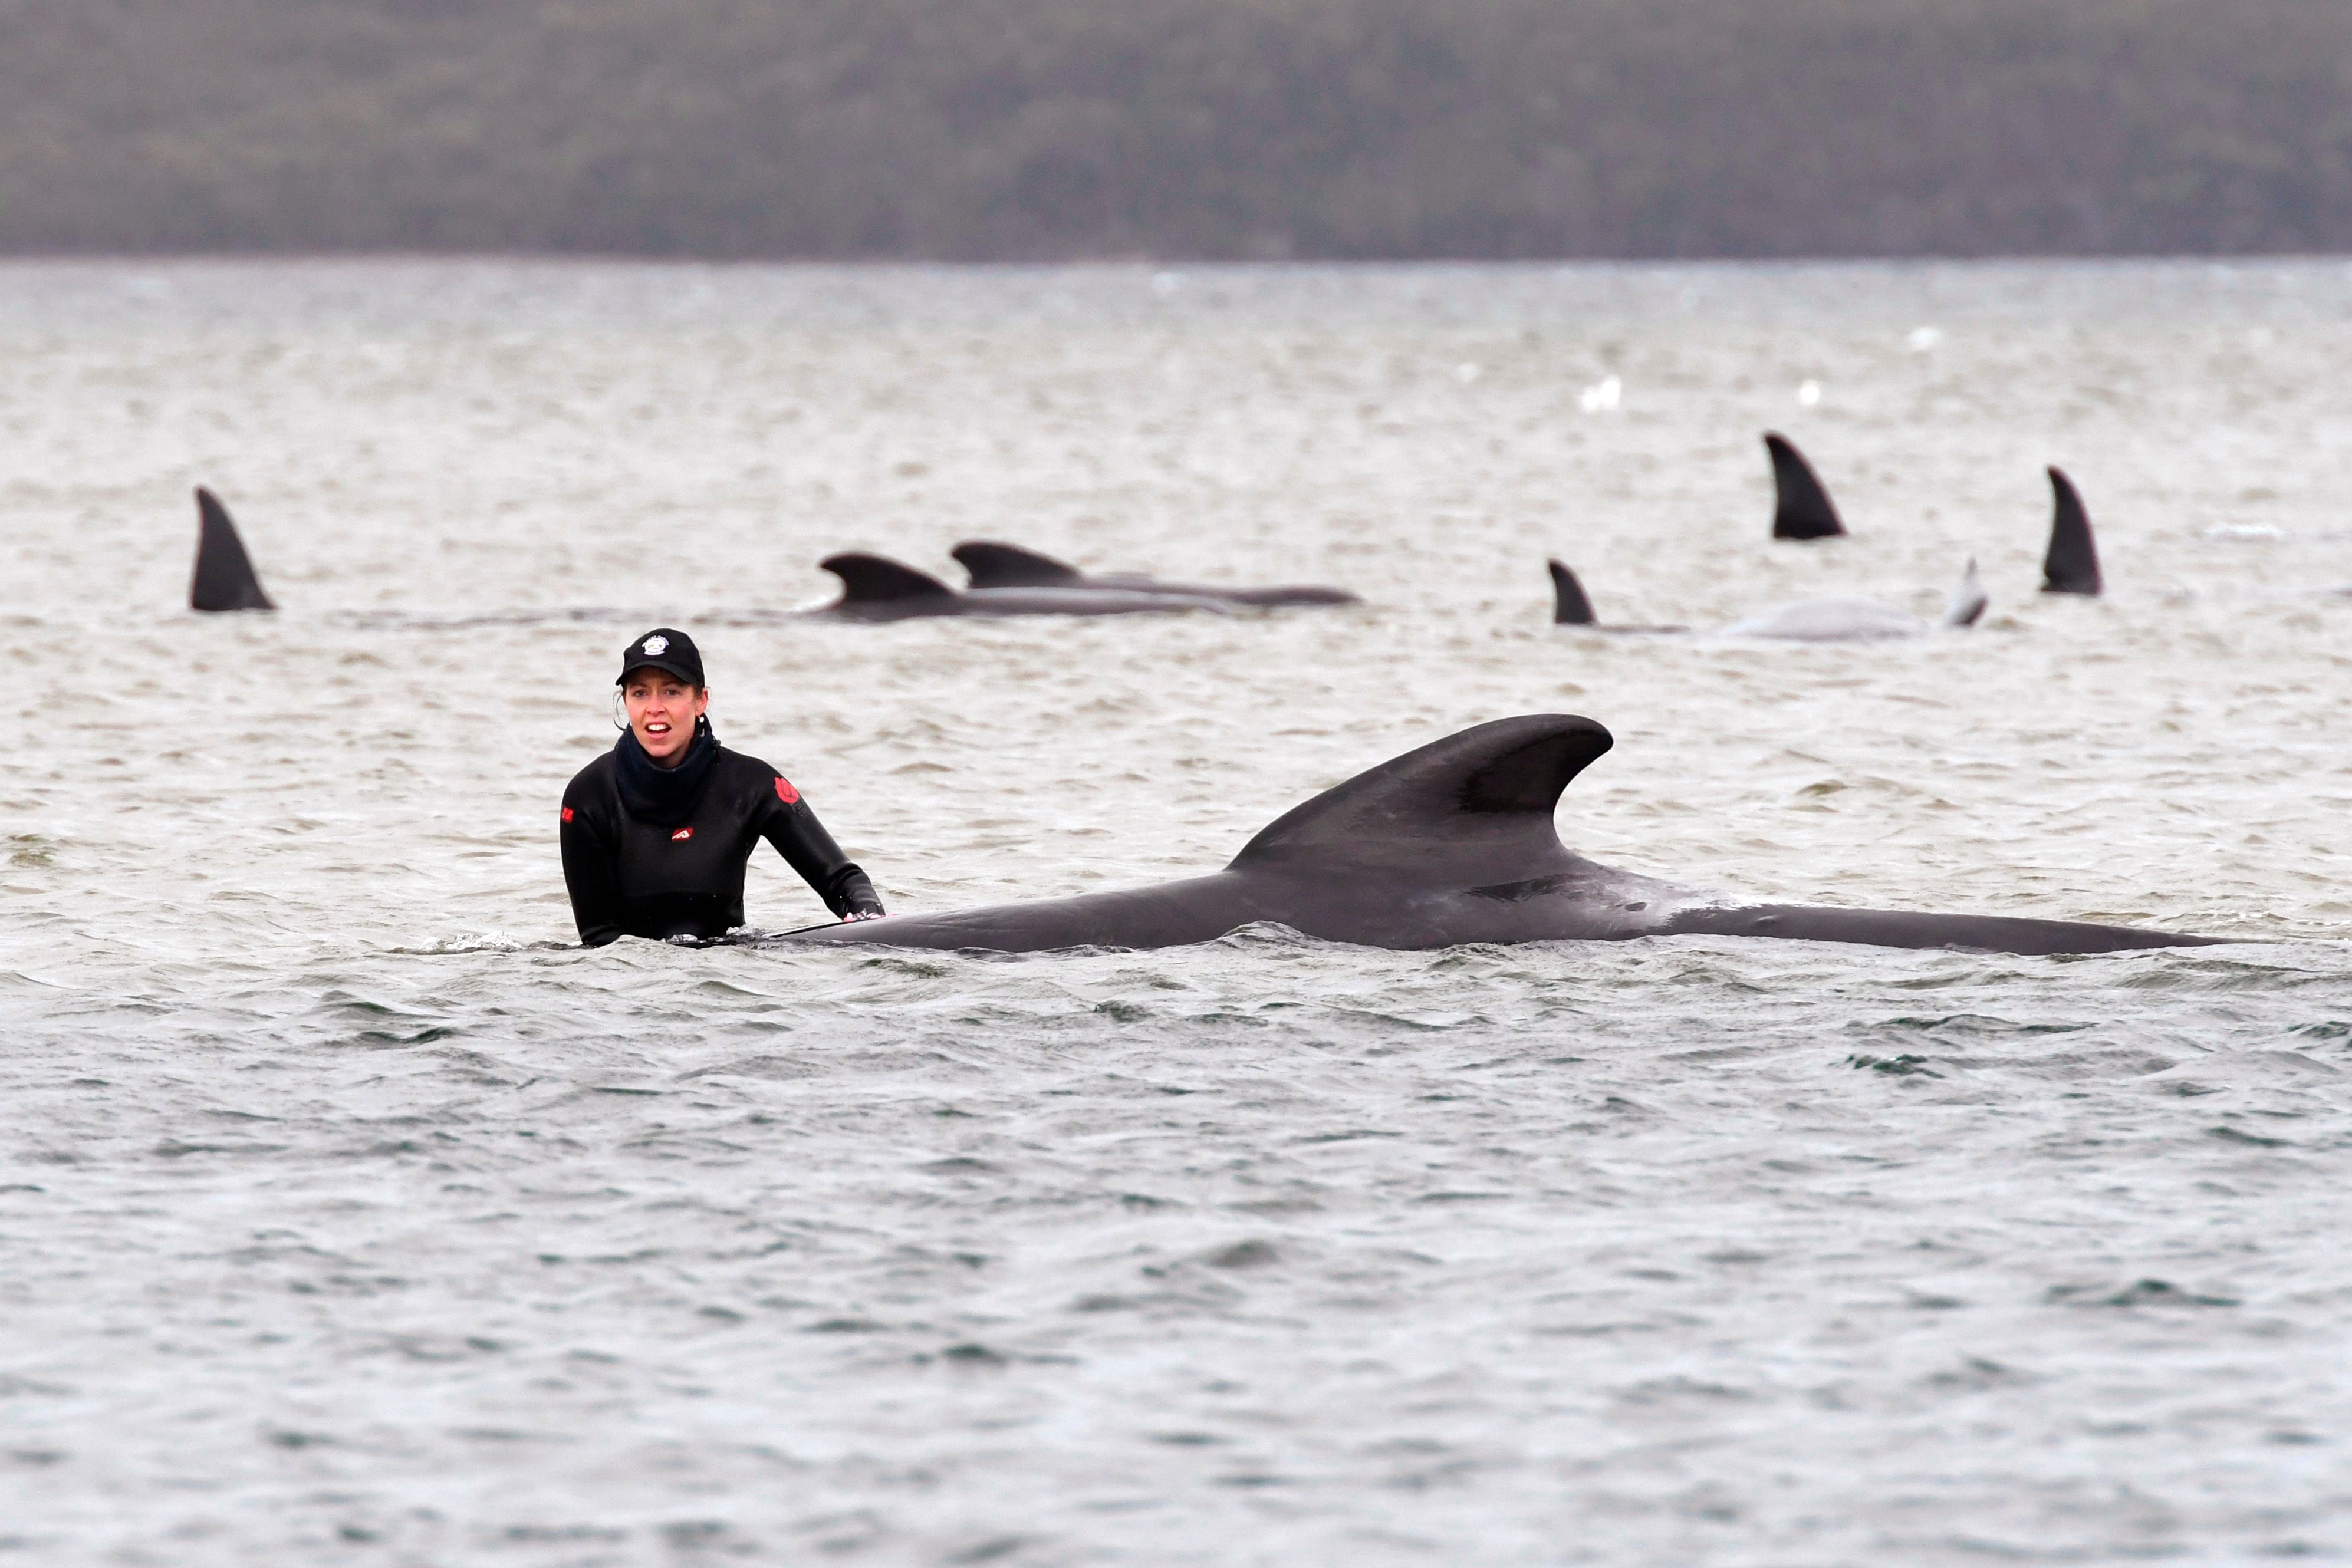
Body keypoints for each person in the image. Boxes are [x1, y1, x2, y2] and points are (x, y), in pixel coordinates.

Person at [560, 628, 886, 945]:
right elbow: (598, 940)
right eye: (640, 692)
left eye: (672, 691)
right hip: (632, 989)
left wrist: (870, 919)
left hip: (727, 978)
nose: (654, 708)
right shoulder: (589, 796)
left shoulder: (750, 784)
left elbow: (842, 881)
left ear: (701, 700)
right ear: (626, 701)